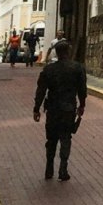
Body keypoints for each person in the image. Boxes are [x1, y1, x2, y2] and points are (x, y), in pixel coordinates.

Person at [33, 41, 88, 181]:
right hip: (68, 109)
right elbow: (82, 90)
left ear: (56, 53)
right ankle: (63, 169)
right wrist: (82, 105)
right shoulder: (77, 68)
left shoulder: (49, 69)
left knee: (51, 139)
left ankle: (49, 168)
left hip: (52, 109)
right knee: (65, 138)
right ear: (68, 51)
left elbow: (41, 90)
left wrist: (36, 109)